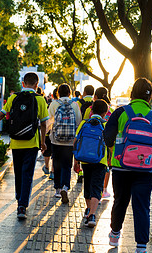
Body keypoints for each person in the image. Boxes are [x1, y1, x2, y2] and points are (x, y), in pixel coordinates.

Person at [103, 78, 152, 253]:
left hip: (121, 166)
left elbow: (107, 138)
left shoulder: (121, 113)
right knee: (142, 206)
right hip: (147, 170)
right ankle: (141, 251)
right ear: (150, 97)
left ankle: (115, 234)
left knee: (120, 200)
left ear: (132, 93)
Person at [0, 72, 49, 220]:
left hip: (16, 142)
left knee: (18, 173)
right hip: (32, 143)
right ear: (37, 85)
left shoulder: (13, 97)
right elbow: (43, 123)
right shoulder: (40, 99)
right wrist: (43, 142)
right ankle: (22, 206)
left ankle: (19, 199)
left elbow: (1, 114)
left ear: (23, 84)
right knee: (27, 174)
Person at [74, 99, 108, 227]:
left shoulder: (84, 123)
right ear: (105, 113)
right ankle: (92, 214)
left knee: (87, 185)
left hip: (85, 160)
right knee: (97, 187)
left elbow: (76, 142)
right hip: (100, 160)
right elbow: (110, 144)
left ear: (91, 111)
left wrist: (76, 161)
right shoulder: (105, 125)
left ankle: (88, 210)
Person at [48, 83, 81, 203]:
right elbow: (78, 122)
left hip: (56, 140)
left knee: (56, 164)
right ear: (69, 93)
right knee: (67, 165)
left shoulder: (54, 104)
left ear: (58, 93)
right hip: (70, 141)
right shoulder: (75, 105)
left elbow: (49, 121)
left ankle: (57, 189)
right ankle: (65, 187)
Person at [84, 87, 114, 198]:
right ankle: (104, 190)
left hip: (89, 147)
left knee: (90, 174)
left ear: (95, 97)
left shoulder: (89, 110)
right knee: (106, 168)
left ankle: (90, 195)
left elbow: (84, 125)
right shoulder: (111, 111)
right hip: (104, 148)